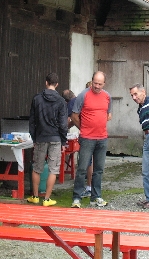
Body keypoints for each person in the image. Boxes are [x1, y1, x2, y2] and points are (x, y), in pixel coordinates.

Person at [70, 71, 112, 208]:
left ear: (104, 84)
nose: (97, 86)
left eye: (100, 84)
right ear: (92, 81)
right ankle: (77, 198)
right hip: (87, 138)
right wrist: (83, 128)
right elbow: (74, 115)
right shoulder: (83, 95)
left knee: (98, 170)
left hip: (102, 138)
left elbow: (108, 114)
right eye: (95, 83)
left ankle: (96, 197)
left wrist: (99, 122)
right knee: (82, 168)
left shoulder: (107, 96)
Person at [27, 72, 68, 207]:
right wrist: (63, 141)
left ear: (46, 82)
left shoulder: (37, 99)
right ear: (57, 84)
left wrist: (34, 138)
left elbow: (32, 121)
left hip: (40, 137)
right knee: (53, 169)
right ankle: (47, 199)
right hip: (56, 137)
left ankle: (35, 196)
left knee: (37, 168)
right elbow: (63, 124)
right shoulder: (61, 101)